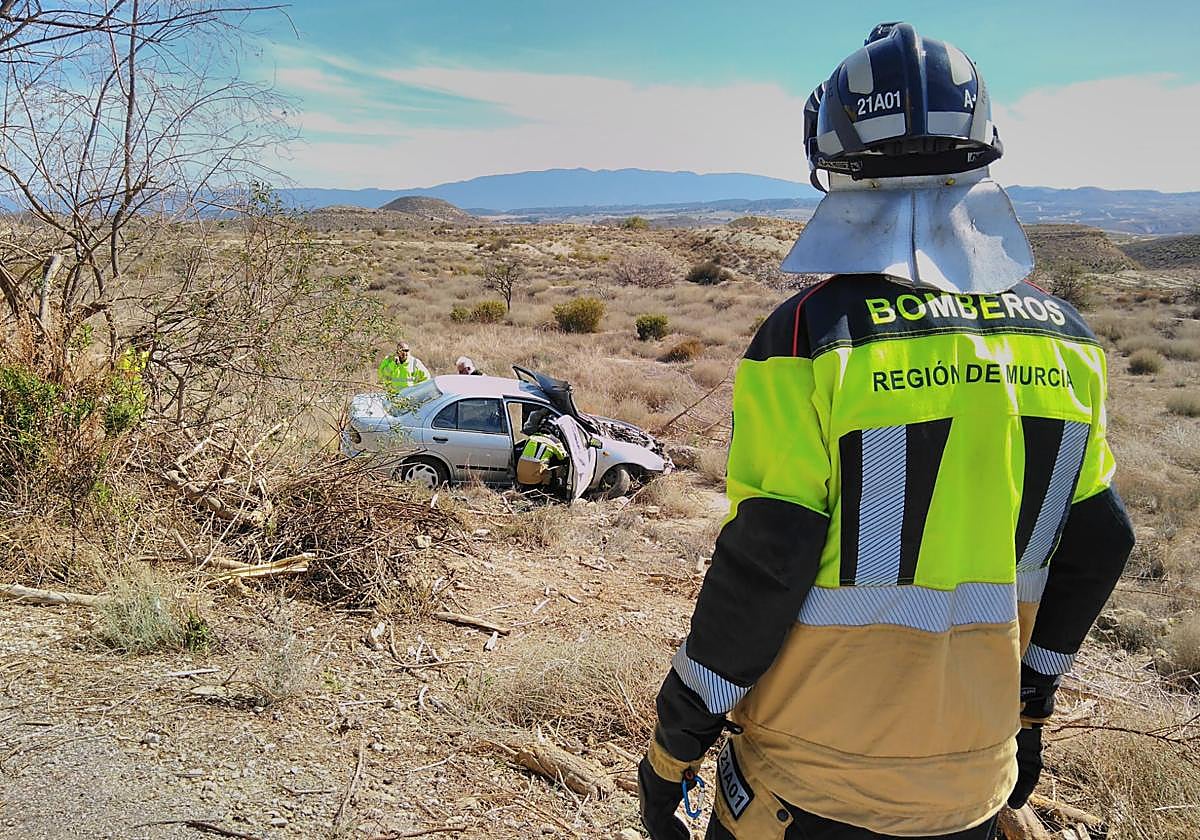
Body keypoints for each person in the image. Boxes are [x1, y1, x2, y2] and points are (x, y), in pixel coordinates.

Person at [638, 22, 1134, 840]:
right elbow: (1101, 536)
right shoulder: (1067, 340)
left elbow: (768, 558)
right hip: (975, 777)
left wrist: (674, 745)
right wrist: (1032, 707)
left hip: (811, 782)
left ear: (835, 156)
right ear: (982, 153)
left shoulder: (808, 336)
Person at [515, 409, 568, 491]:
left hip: (520, 478)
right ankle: (549, 490)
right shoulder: (554, 442)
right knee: (561, 466)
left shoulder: (531, 438)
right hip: (535, 481)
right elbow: (563, 458)